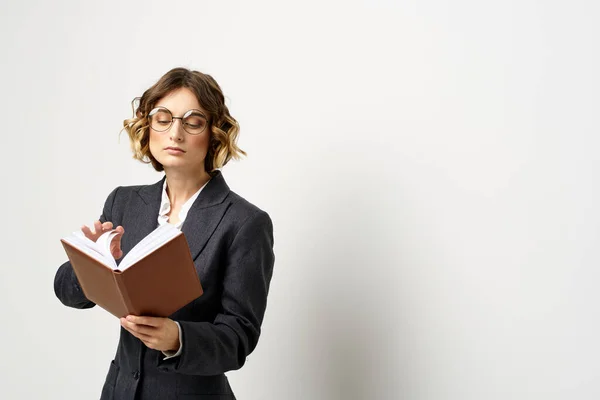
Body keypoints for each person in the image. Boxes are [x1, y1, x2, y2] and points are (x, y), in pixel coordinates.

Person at [54, 67, 275, 400]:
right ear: (147, 127)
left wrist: (179, 338)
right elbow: (68, 294)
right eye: (163, 118)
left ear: (213, 133)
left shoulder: (245, 223)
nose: (175, 133)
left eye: (192, 121)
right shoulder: (123, 202)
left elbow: (239, 337)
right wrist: (91, 258)